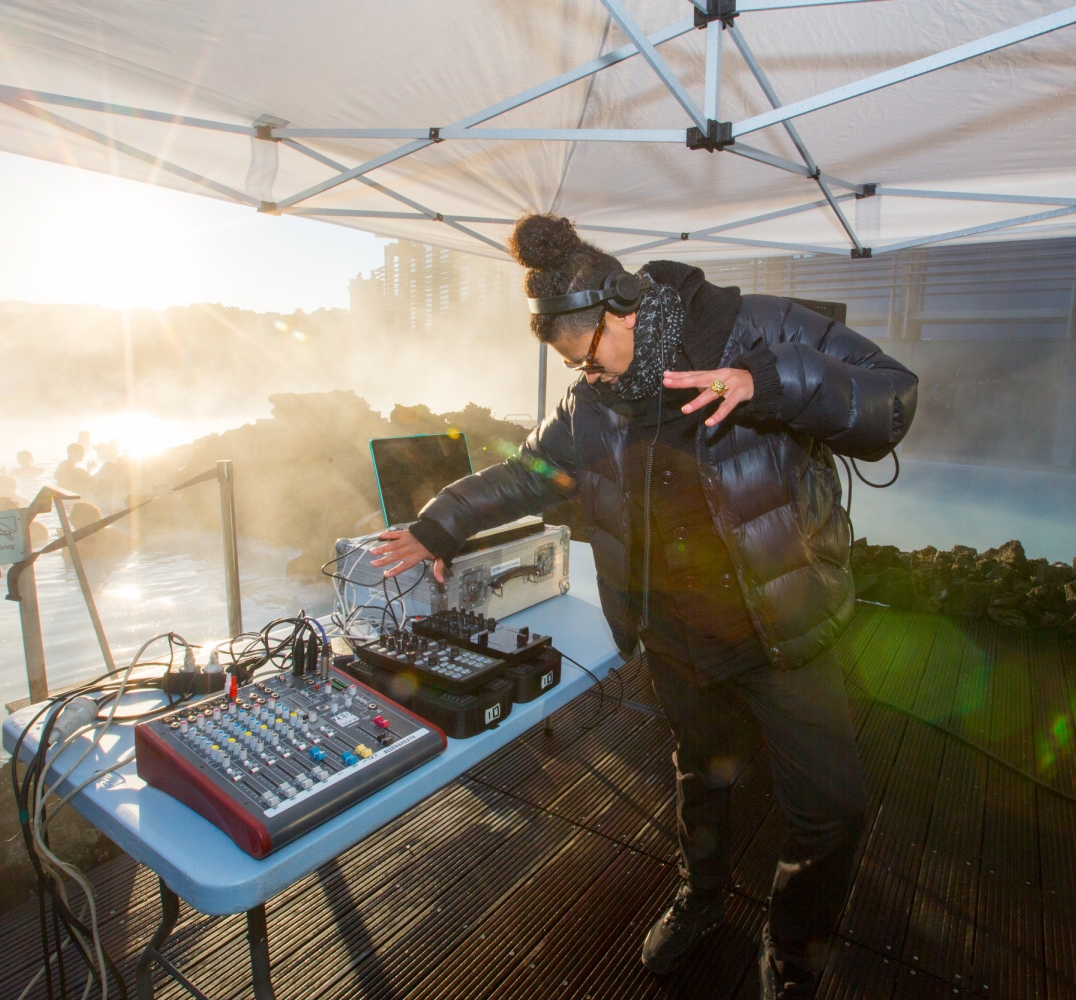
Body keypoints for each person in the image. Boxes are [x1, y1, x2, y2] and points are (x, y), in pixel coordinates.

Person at [371, 214, 917, 998]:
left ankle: (793, 957)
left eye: (587, 356)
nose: (584, 376)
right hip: (675, 633)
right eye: (571, 365)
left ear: (623, 312)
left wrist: (772, 384)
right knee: (701, 778)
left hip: (781, 624)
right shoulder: (593, 403)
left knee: (832, 811)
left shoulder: (754, 328)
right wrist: (435, 527)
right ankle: (701, 900)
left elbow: (893, 400)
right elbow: (525, 473)